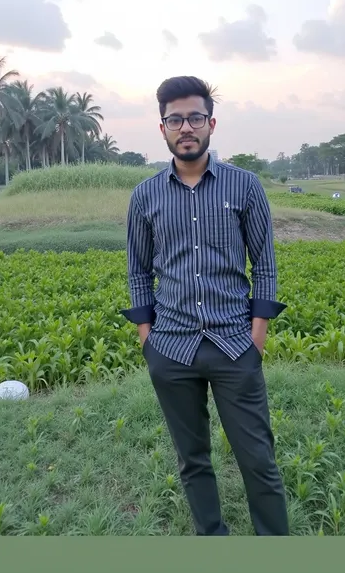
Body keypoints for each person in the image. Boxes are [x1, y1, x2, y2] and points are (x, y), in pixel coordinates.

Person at [121, 76, 289, 536]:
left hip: (235, 346)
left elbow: (265, 265)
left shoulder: (245, 186)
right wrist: (148, 343)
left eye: (195, 118)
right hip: (171, 349)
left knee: (258, 459)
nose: (186, 128)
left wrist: (256, 339)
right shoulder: (145, 196)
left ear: (211, 124)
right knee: (192, 459)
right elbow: (138, 272)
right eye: (175, 120)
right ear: (163, 128)